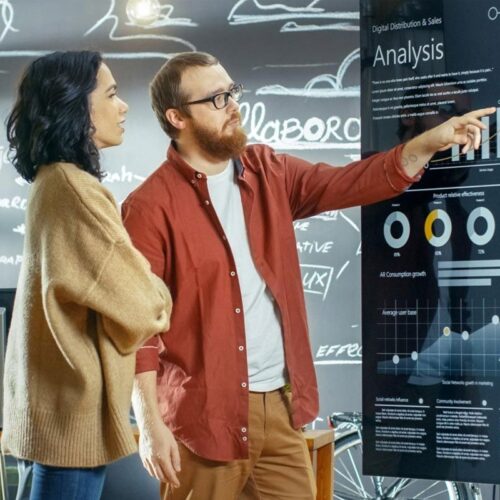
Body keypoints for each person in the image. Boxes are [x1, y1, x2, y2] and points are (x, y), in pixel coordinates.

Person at [121, 51, 494, 500]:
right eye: (217, 99)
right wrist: (149, 422)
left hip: (280, 409)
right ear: (177, 117)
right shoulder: (148, 208)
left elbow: (354, 181)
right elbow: (138, 331)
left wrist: (429, 142)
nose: (233, 106)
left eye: (232, 92)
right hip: (205, 418)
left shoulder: (268, 172)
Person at [1, 50, 172, 500]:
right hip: (71, 417)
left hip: (51, 409)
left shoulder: (52, 181)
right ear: (76, 106)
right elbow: (143, 305)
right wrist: (160, 291)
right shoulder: (76, 191)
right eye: (111, 94)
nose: (124, 106)